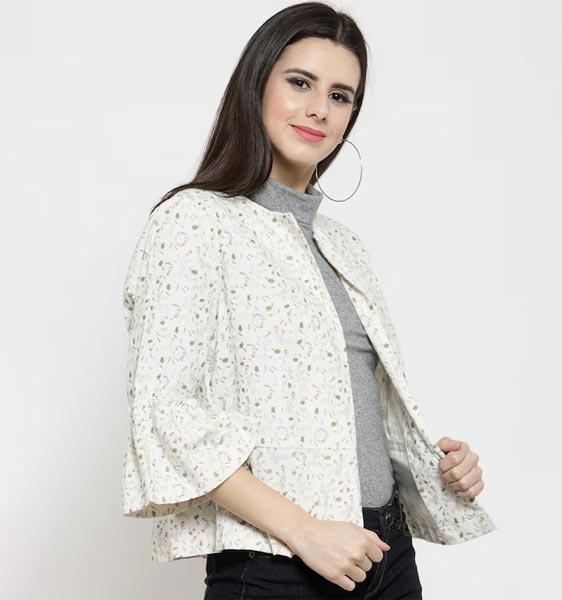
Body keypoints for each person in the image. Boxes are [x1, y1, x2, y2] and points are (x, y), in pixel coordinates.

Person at [121, 2, 496, 598]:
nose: (320, 108)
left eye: (341, 96)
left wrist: (439, 465)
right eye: (300, 83)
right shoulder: (193, 221)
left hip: (386, 551)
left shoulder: (345, 245)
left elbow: (353, 408)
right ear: (256, 85)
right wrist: (306, 532)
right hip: (277, 562)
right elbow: (167, 413)